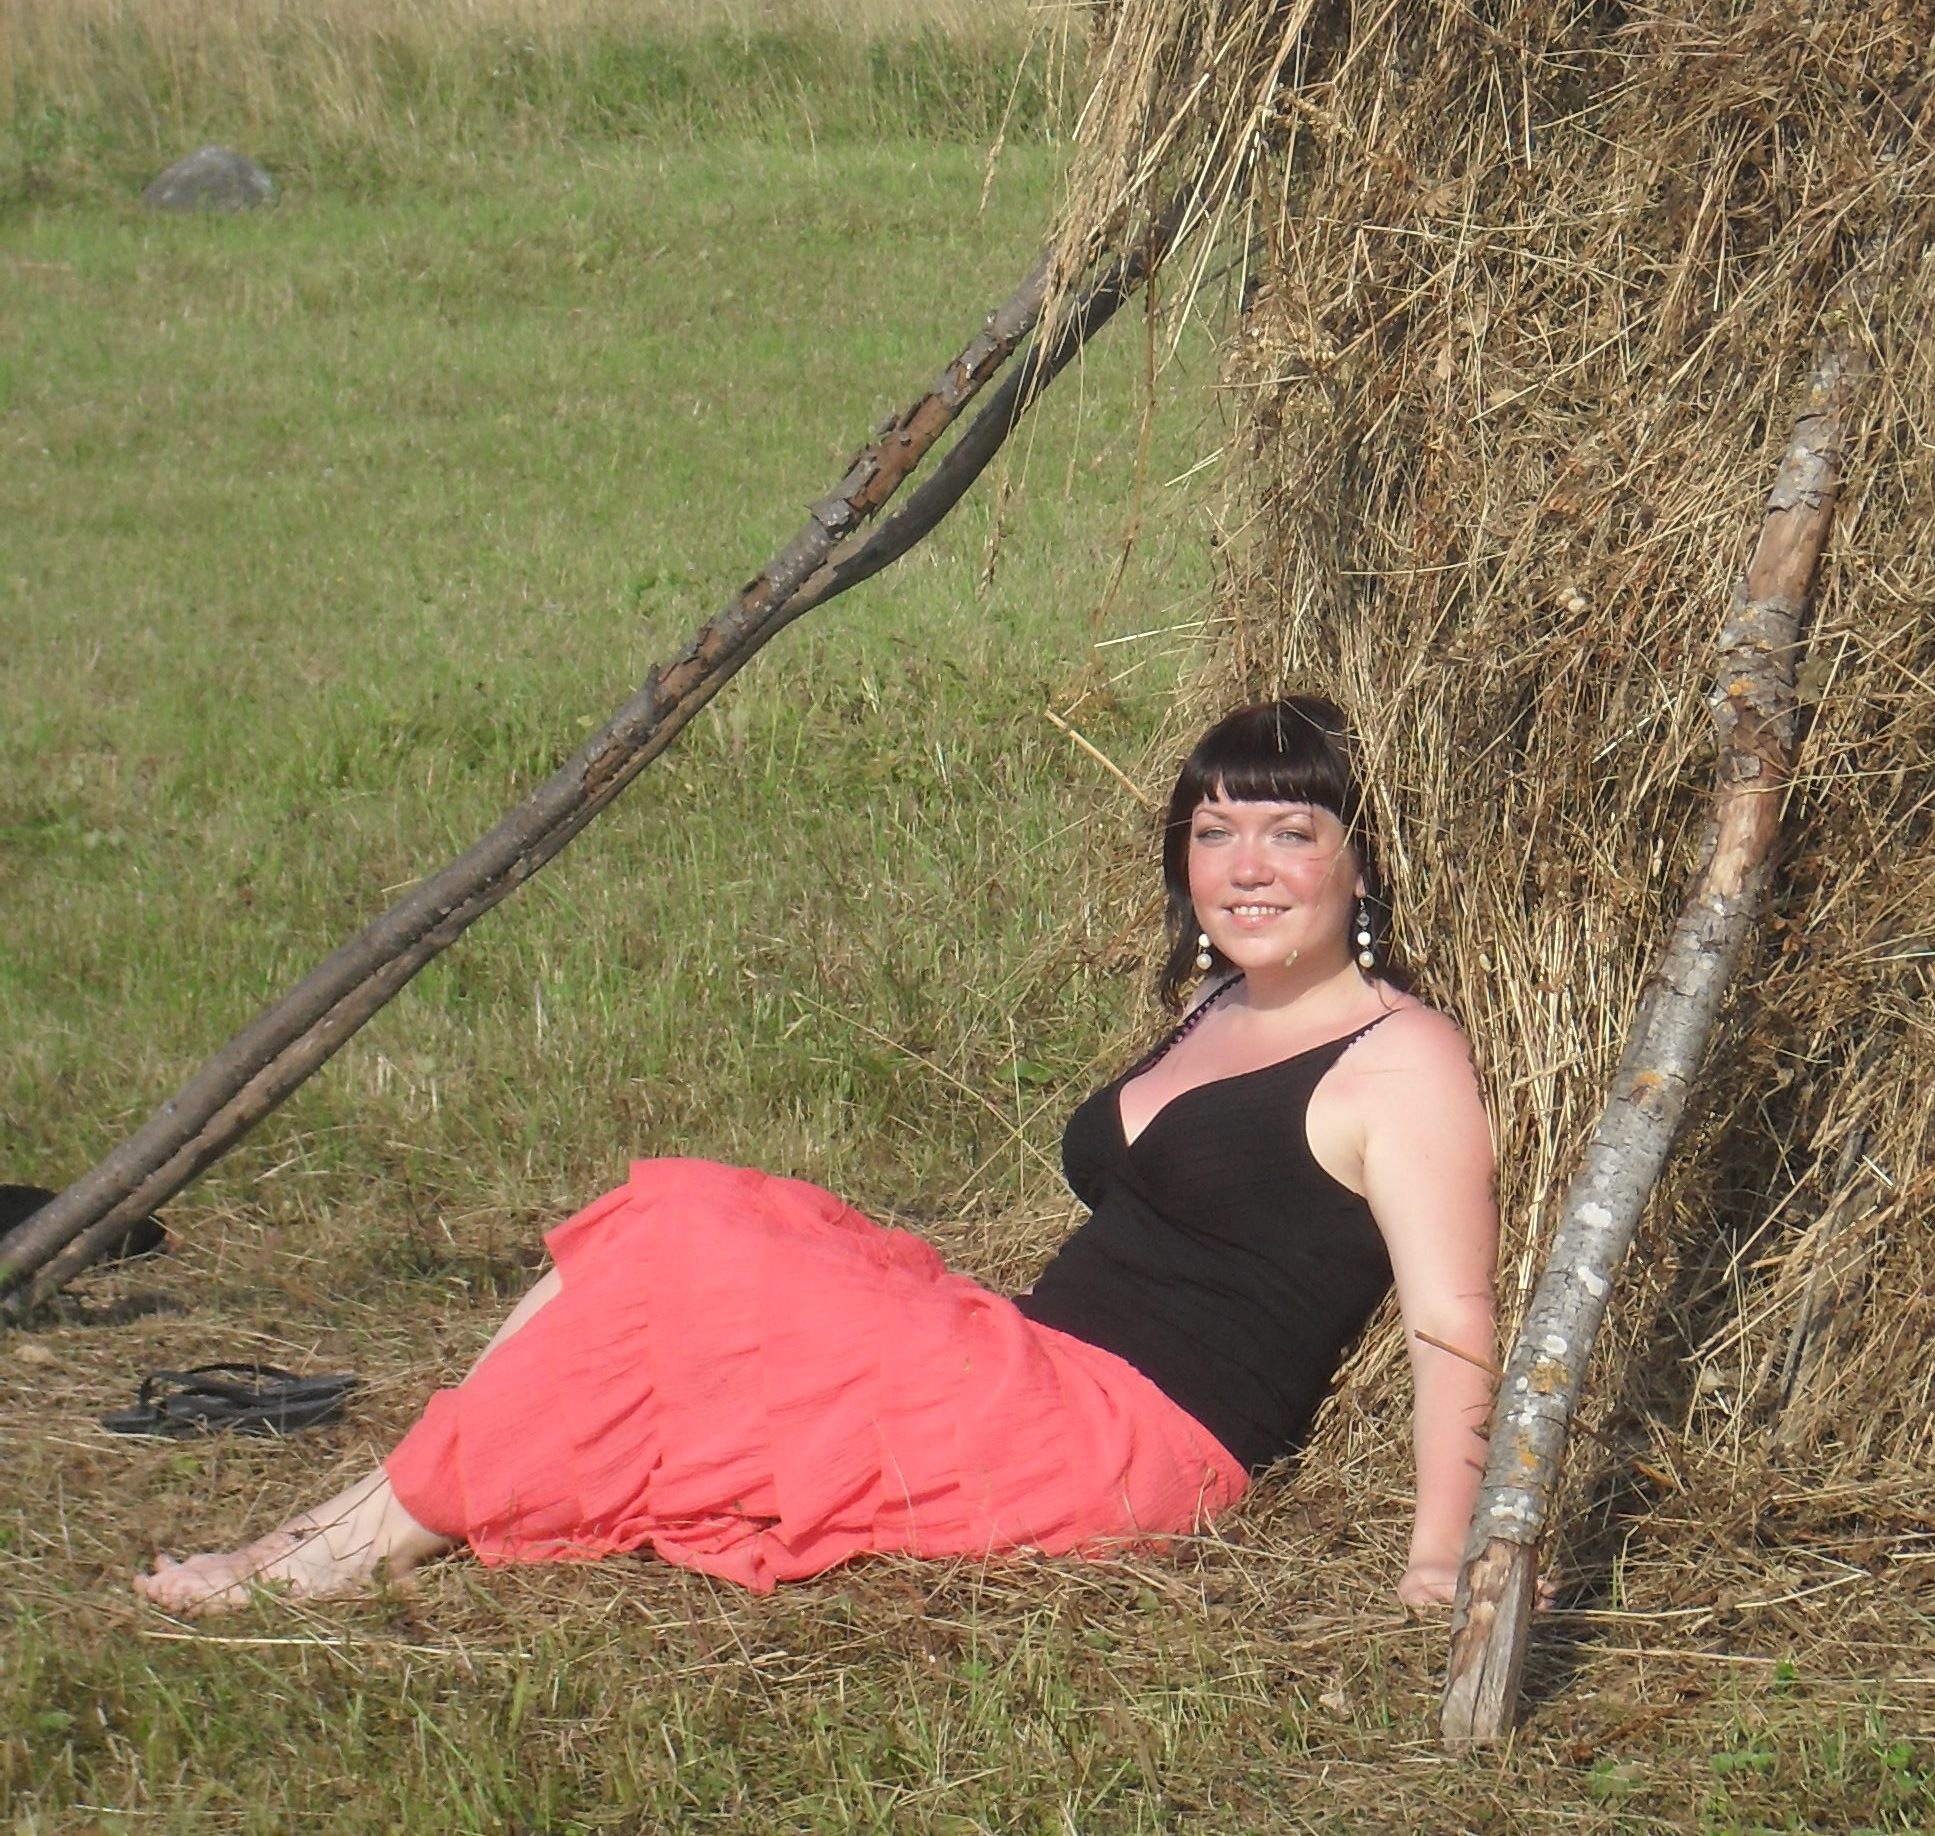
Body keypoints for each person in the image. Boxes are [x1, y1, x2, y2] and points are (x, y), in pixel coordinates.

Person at [133, 696, 1498, 1617]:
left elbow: (1453, 1319)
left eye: (1290, 833)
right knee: (680, 1214)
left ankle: (354, 1540)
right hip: (1028, 1359)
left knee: (694, 1249)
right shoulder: (1219, 1007)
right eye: (1215, 832)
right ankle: (375, 1508)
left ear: (1358, 864)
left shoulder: (1401, 1059)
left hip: (1125, 1438)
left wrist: (1445, 1551)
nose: (1246, 867)